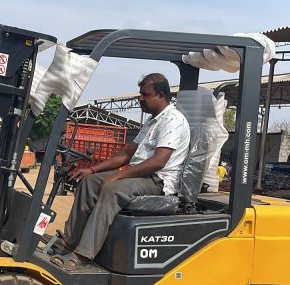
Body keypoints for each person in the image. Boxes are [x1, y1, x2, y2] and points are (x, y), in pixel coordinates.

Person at [52, 73, 190, 270]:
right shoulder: (152, 121)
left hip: (158, 180)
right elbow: (126, 154)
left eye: (145, 94)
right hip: (141, 174)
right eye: (140, 94)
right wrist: (92, 169)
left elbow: (159, 162)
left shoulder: (173, 120)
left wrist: (118, 175)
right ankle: (69, 241)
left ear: (160, 95)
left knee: (113, 189)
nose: (140, 98)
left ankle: (82, 255)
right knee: (88, 182)